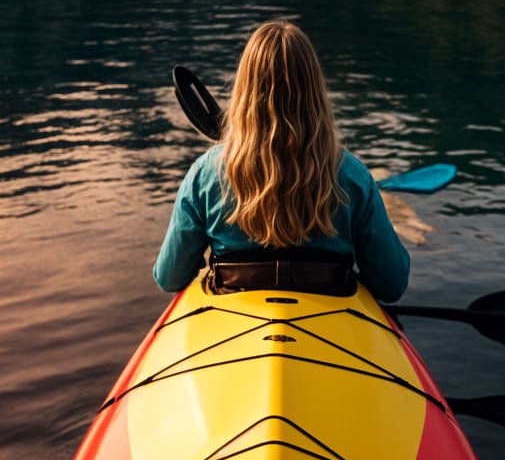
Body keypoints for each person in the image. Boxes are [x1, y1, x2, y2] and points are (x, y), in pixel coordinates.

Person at [154, 20, 410, 300]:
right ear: (314, 91)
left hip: (235, 319)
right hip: (329, 316)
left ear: (245, 89)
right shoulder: (353, 176)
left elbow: (170, 277)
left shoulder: (205, 173)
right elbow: (391, 284)